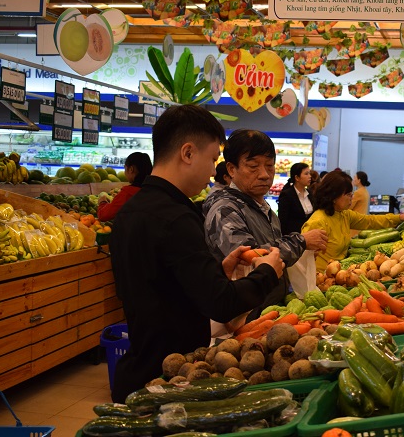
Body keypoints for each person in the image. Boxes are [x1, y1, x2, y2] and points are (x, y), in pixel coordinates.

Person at [109, 106, 284, 403]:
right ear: (188, 153)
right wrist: (267, 272)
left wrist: (219, 270)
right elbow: (220, 303)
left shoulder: (131, 211)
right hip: (171, 378)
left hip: (140, 366)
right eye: (213, 158)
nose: (212, 171)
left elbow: (164, 285)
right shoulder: (176, 218)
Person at [203, 129, 328, 320]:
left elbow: (272, 248)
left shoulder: (261, 204)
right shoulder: (225, 210)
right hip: (245, 318)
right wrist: (300, 243)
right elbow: (253, 260)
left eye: (270, 166)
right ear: (231, 169)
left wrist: (300, 252)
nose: (264, 174)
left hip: (271, 310)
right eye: (253, 167)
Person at [302, 171, 404, 272]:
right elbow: (303, 258)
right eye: (348, 194)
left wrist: (399, 218)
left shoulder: (343, 214)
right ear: (334, 196)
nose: (352, 197)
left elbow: (369, 220)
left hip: (338, 274)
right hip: (320, 278)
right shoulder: (317, 222)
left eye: (352, 194)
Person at [97, 152, 152, 221]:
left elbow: (103, 215)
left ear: (131, 169)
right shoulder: (155, 190)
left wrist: (102, 202)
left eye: (125, 168)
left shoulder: (128, 193)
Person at [277, 162, 314, 235]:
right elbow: (283, 221)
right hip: (294, 238)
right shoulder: (287, 195)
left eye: (309, 173)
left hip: (310, 235)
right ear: (297, 177)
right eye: (306, 174)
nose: (310, 176)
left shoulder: (310, 194)